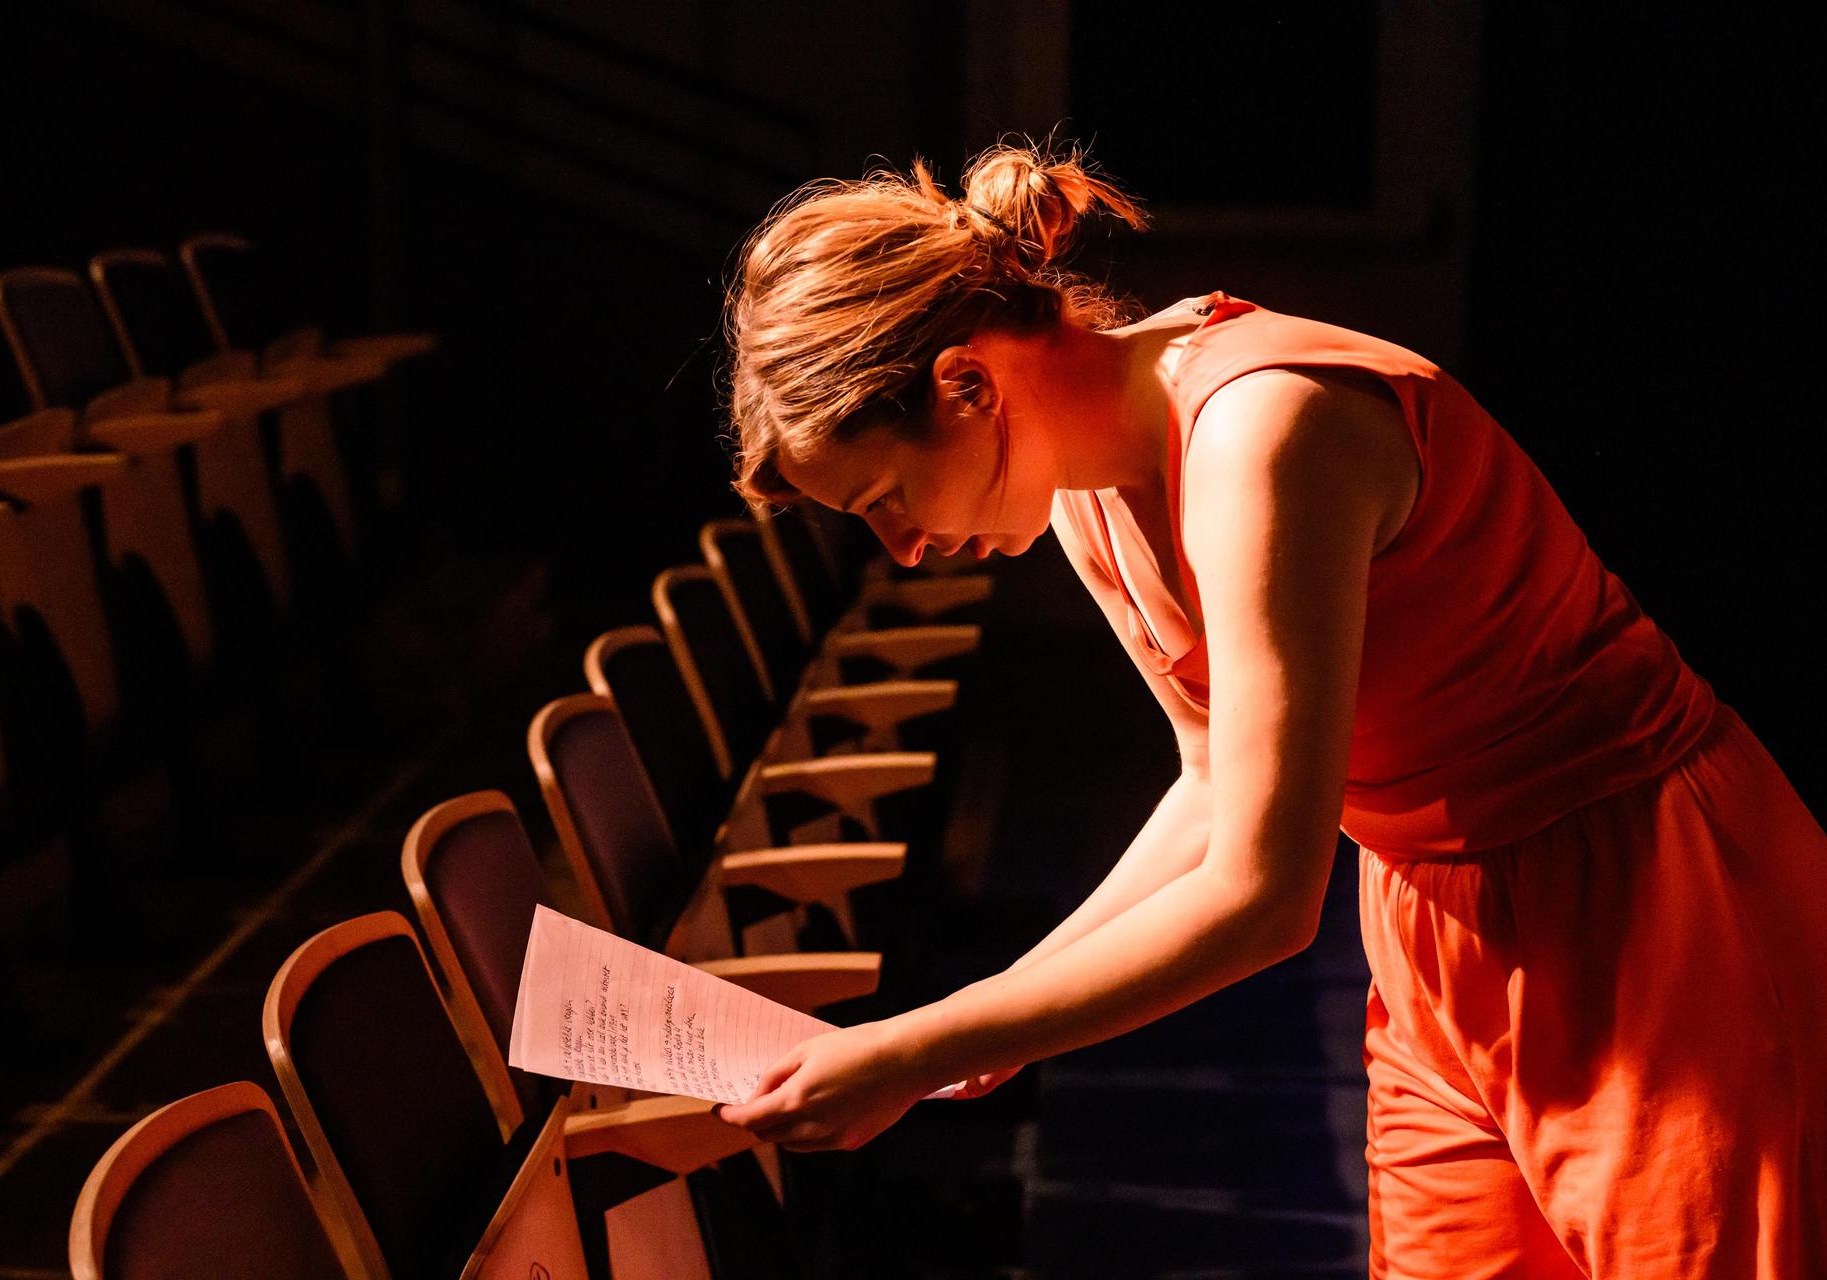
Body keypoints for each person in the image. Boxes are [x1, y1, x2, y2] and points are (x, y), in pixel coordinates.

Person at [712, 143, 1825, 1277]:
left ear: (968, 383)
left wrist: (926, 1045)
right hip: (1435, 922)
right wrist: (999, 1005)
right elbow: (1209, 780)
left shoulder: (1264, 429)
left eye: (887, 499)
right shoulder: (1083, 490)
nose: (901, 548)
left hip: (1648, 898)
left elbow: (1263, 893)